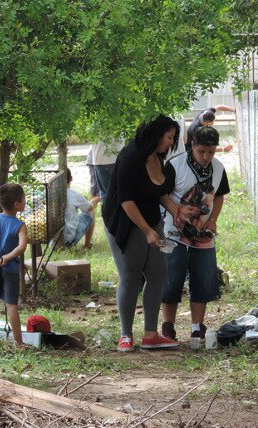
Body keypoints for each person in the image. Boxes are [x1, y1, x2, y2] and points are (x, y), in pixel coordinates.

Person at [102, 115, 197, 352]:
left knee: (158, 273)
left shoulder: (158, 155)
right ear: (156, 134)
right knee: (131, 275)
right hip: (124, 221)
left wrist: (177, 210)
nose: (171, 143)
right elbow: (126, 200)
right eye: (169, 137)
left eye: (173, 138)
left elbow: (159, 191)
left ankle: (151, 334)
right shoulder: (130, 156)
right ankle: (125, 335)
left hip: (150, 218)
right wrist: (146, 231)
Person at [161, 126, 230, 342]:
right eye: (201, 151)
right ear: (192, 145)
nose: (206, 157)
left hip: (203, 237)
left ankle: (197, 327)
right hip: (171, 233)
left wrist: (212, 220)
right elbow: (162, 194)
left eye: (211, 152)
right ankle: (168, 326)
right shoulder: (175, 165)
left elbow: (219, 196)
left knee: (203, 279)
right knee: (170, 280)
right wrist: (177, 212)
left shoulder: (218, 168)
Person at [0, 183, 28, 348]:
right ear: (17, 204)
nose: (25, 202)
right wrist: (8, 257)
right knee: (11, 305)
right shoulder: (20, 225)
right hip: (9, 269)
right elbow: (22, 247)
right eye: (23, 199)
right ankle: (18, 343)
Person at [64, 168, 98, 249]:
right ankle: (87, 245)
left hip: (52, 242)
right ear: (71, 178)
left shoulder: (50, 195)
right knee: (91, 211)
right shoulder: (74, 195)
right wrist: (86, 201)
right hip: (68, 240)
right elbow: (90, 208)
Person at [90, 137, 124, 204]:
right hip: (118, 158)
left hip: (100, 160)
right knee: (121, 192)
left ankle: (108, 213)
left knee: (105, 194)